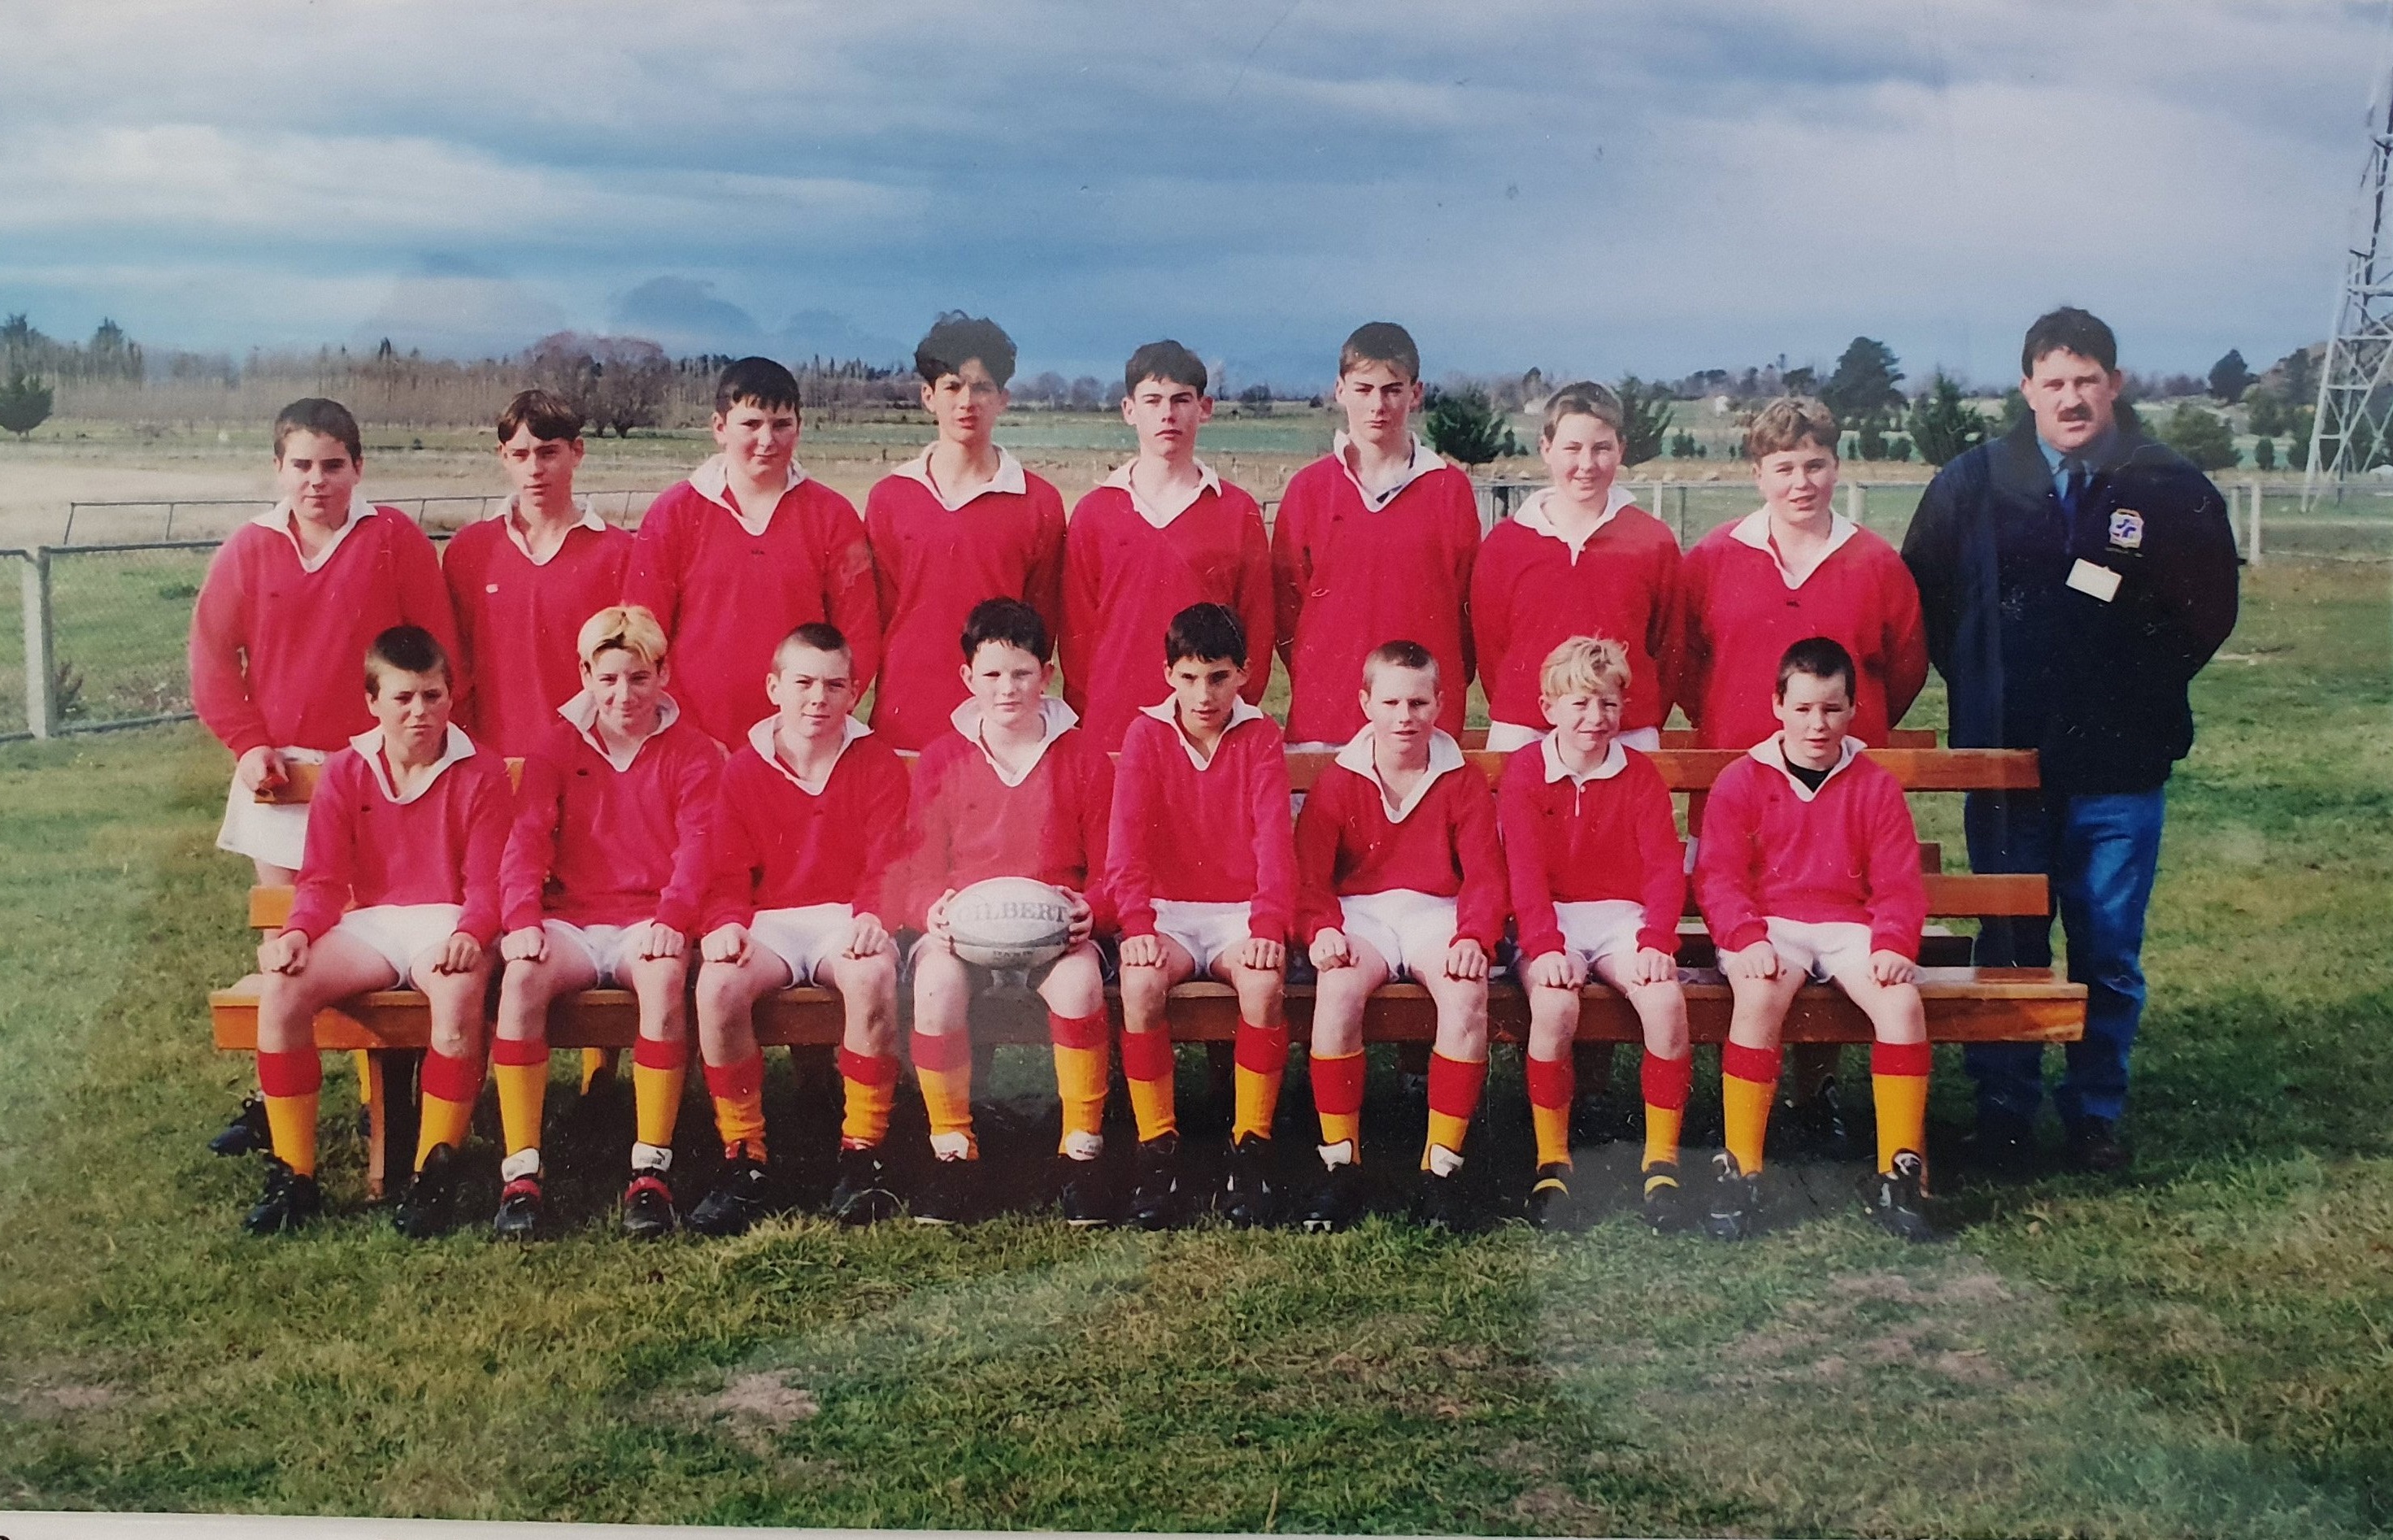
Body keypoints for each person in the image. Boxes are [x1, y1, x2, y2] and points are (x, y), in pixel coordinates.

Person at [1902, 307, 2239, 1173]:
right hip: (2008, 759)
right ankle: (2004, 1110)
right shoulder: (1973, 482)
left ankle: (2095, 1113)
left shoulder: (2169, 485)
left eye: (2087, 379)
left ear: (2115, 384)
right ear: (2026, 389)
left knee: (2109, 947)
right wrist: (1987, 682)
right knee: (2011, 946)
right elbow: (1927, 602)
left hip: (2120, 764)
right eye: (2053, 381)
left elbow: (2207, 614)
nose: (2071, 396)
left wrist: (2130, 687)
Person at [1678, 395, 1927, 1142]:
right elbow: (1684, 662)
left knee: (1836, 910)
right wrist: (1728, 722)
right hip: (1743, 779)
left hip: (1842, 789)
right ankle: (1736, 1108)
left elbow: (1905, 667)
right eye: (1783, 466)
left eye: (1815, 464)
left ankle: (1816, 1093)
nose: (1801, 482)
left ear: (1836, 465)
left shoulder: (1876, 562)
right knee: (1750, 925)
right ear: (1757, 472)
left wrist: (1845, 725)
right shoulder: (1715, 557)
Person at [241, 626, 510, 1238]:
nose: (421, 712)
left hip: (446, 922)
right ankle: (295, 1174)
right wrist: (297, 934)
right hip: (373, 926)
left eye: (434, 696)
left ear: (450, 696)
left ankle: (432, 1171)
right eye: (404, 698)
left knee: (458, 991)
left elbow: (488, 883)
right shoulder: (347, 769)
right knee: (282, 990)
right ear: (373, 702)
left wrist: (472, 931)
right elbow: (324, 880)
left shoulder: (481, 770)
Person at [489, 606, 722, 1239]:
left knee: (664, 976)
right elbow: (527, 840)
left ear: (663, 674)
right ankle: (522, 1174)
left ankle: (650, 1170)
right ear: (586, 674)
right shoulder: (556, 745)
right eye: (609, 678)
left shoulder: (693, 751)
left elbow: (698, 847)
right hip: (573, 918)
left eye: (640, 679)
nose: (624, 695)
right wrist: (522, 920)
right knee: (520, 980)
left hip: (648, 917)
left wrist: (674, 918)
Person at [1693, 637, 1934, 1243]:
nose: (1816, 724)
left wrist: (1892, 945)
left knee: (1900, 1003)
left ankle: (1898, 1171)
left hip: (1849, 928)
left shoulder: (1874, 785)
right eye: (1802, 709)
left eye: (1830, 709)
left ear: (1851, 709)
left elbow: (1899, 884)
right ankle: (1741, 1168)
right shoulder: (1741, 779)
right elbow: (1718, 877)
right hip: (1770, 926)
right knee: (1758, 993)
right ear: (1777, 705)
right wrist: (1743, 937)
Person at [885, 598, 1116, 1225]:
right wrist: (927, 910)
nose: (1006, 688)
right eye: (990, 675)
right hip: (965, 930)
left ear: (1046, 674)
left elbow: (1113, 869)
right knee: (931, 982)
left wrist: (1091, 909)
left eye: (1020, 673)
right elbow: (914, 867)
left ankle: (1080, 1153)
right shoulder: (943, 758)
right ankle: (952, 1151)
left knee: (1080, 981)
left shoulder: (1083, 757)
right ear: (968, 679)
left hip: (1053, 931)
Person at [691, 623, 910, 1234]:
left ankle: (861, 1151)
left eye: (834, 685)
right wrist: (725, 924)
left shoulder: (876, 761)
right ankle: (744, 1155)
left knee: (871, 974)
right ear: (774, 686)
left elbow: (891, 862)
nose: (817, 699)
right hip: (772, 921)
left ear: (854, 693)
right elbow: (727, 870)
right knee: (718, 986)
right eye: (804, 683)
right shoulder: (742, 768)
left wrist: (875, 914)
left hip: (844, 915)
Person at [191, 397, 459, 885]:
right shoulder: (248, 548)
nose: (317, 480)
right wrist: (248, 745)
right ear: (278, 468)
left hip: (380, 765)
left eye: (333, 465)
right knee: (286, 934)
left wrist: (417, 749)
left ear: (358, 468)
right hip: (282, 770)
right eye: (302, 465)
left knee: (373, 930)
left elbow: (438, 653)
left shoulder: (393, 538)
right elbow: (212, 660)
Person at [1293, 641, 1507, 1233]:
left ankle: (1441, 1168)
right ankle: (1340, 1161)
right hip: (1360, 914)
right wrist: (1320, 929)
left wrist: (1474, 935)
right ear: (1365, 702)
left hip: (1435, 913)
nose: (1404, 716)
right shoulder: (1340, 777)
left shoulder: (1459, 778)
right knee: (1336, 990)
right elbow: (1309, 875)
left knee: (1466, 993)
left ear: (1440, 703)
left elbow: (1486, 876)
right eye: (1390, 702)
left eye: (1418, 702)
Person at [1106, 603, 1296, 1229]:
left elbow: (1274, 841)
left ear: (1242, 674)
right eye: (1188, 678)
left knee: (1264, 984)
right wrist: (1136, 926)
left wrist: (1268, 925)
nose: (1203, 694)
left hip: (1238, 912)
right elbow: (1126, 844)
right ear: (1168, 675)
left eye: (1217, 677)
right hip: (1168, 911)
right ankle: (1156, 1152)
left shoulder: (1260, 735)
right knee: (1139, 983)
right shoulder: (1145, 735)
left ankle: (1251, 1150)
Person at [1496, 637, 1690, 1231]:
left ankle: (1661, 1161)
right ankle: (1552, 1158)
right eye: (1579, 704)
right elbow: (1523, 872)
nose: (1594, 719)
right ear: (1548, 706)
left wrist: (1657, 938)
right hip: (1547, 919)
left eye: (1606, 704)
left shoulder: (1637, 776)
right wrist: (1545, 946)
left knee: (1664, 1003)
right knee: (1553, 1007)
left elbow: (1662, 866)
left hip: (1619, 919)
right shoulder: (1526, 771)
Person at [625, 356, 879, 750]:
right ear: (719, 428)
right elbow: (642, 636)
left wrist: (816, 725)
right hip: (693, 742)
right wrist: (680, 733)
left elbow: (859, 634)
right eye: (751, 424)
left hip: (801, 744)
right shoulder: (674, 512)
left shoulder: (832, 516)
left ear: (799, 427)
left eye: (781, 425)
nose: (767, 440)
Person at [1271, 323, 1481, 748]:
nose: (1378, 405)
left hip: (1422, 725)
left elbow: (1466, 609)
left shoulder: (1449, 489)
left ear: (1415, 394)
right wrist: (1323, 673)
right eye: (1363, 389)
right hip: (1325, 720)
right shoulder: (1310, 489)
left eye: (1392, 390)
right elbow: (1286, 607)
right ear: (1340, 390)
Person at [864, 314, 1068, 750]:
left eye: (982, 388)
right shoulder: (891, 498)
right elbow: (877, 618)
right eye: (953, 386)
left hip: (1001, 730)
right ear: (928, 396)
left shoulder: (1040, 503)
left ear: (1003, 399)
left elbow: (1043, 627)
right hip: (906, 721)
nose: (966, 401)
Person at [1060, 341, 1274, 750]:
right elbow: (1077, 640)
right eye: (1153, 400)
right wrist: (1093, 721)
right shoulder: (1095, 512)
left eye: (1181, 400)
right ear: (1129, 410)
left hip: (1209, 730)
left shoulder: (1236, 510)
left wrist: (1227, 716)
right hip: (1114, 731)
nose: (1167, 414)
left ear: (1204, 408)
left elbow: (1258, 633)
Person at [1471, 383, 1683, 755]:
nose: (1586, 464)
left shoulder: (1652, 540)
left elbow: (1668, 649)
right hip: (1526, 731)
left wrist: (1636, 712)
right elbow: (1492, 651)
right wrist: (1525, 705)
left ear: (1621, 451)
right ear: (1546, 449)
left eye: (1601, 448)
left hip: (1624, 732)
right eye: (1572, 448)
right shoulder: (1506, 543)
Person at [442, 388, 634, 758]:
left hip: (589, 763)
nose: (534, 469)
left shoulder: (619, 552)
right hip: (490, 763)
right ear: (503, 456)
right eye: (520, 454)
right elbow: (454, 665)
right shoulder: (469, 550)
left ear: (576, 452)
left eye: (548, 453)